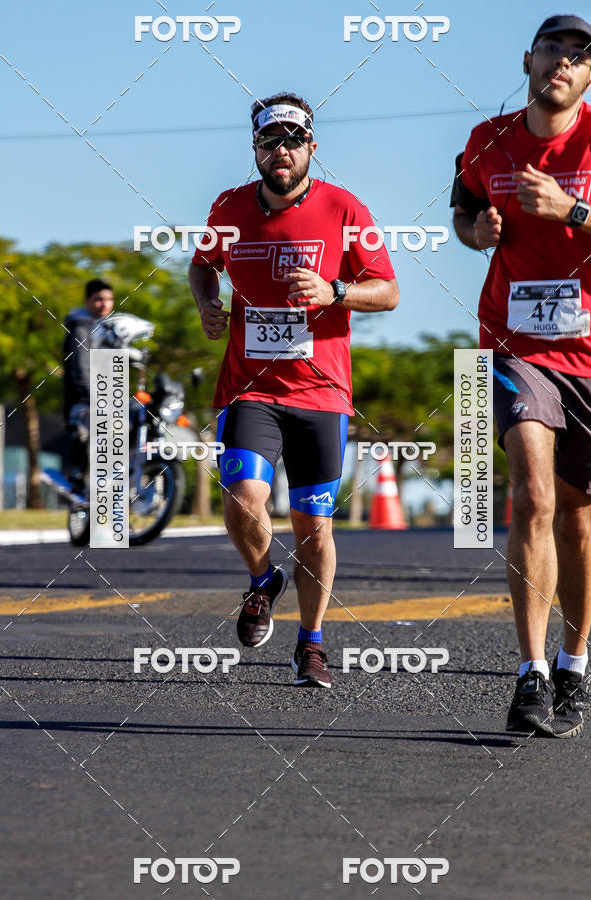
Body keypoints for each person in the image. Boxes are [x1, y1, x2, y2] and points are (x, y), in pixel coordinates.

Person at [189, 92, 399, 688]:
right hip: (251, 389)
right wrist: (208, 302)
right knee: (241, 498)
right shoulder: (228, 208)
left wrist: (336, 290)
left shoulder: (343, 208)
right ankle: (262, 580)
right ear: (254, 149)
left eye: (292, 140)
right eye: (269, 141)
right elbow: (203, 265)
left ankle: (311, 641)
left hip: (321, 394)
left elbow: (387, 291)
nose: (280, 151)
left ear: (312, 146)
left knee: (314, 528)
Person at [452, 15, 591, 736]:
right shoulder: (489, 139)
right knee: (533, 494)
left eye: (578, 56)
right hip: (515, 347)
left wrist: (575, 210)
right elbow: (464, 206)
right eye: (553, 51)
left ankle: (574, 664)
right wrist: (474, 231)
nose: (563, 64)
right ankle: (529, 671)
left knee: (577, 514)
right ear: (528, 60)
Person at [63, 279, 114, 483]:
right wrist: (95, 397)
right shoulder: (82, 328)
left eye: (109, 299)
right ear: (87, 301)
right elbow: (81, 368)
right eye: (99, 299)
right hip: (85, 402)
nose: (105, 304)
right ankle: (81, 483)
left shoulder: (106, 328)